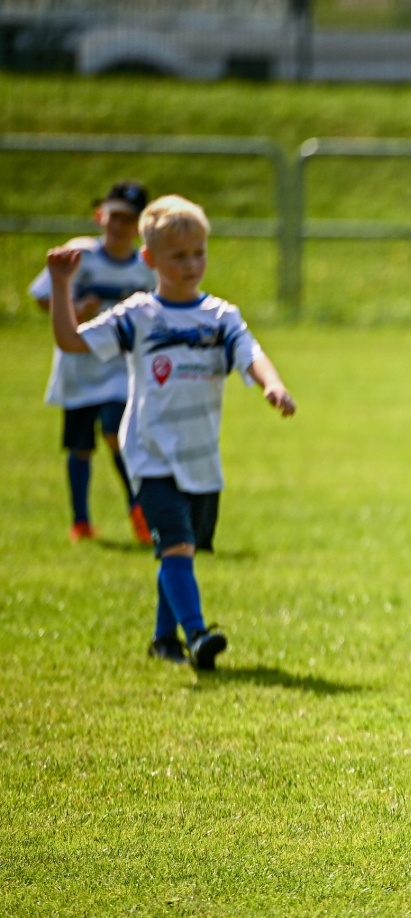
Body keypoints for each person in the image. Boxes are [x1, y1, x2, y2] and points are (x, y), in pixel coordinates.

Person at [44, 195, 297, 671]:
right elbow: (71, 341)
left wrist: (273, 384)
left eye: (199, 253)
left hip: (200, 454)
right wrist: (62, 285)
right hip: (150, 452)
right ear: (149, 259)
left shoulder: (220, 316)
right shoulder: (138, 316)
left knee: (180, 550)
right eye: (178, 256)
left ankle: (164, 640)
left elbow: (251, 353)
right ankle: (197, 635)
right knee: (176, 543)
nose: (191, 264)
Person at [28, 180, 158, 544]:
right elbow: (41, 296)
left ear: (140, 226)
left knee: (118, 433)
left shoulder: (145, 267)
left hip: (120, 368)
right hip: (79, 367)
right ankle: (81, 522)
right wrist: (74, 307)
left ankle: (139, 509)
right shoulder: (80, 255)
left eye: (128, 219)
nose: (119, 226)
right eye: (114, 216)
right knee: (80, 446)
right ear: (100, 215)